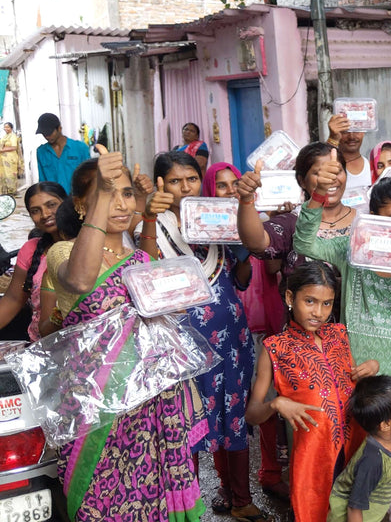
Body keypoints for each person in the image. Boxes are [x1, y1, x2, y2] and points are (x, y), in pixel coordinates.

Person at [43, 147, 206, 521]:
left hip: (149, 404)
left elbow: (162, 302)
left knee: (152, 497)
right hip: (96, 407)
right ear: (81, 205)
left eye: (126, 193)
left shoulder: (139, 259)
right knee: (100, 503)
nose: (119, 203)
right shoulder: (64, 253)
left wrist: (148, 218)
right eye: (105, 193)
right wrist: (103, 193)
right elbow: (81, 280)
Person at [293, 162, 391, 522]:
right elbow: (304, 242)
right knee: (359, 466)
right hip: (356, 375)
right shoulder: (353, 248)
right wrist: (317, 197)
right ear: (373, 217)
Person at [138, 151, 267, 522]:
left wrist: (242, 250)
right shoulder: (152, 224)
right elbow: (143, 267)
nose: (185, 187)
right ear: (161, 184)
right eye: (175, 181)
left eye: (191, 179)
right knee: (185, 421)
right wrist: (148, 216)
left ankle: (240, 499)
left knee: (234, 414)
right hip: (180, 341)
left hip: (229, 337)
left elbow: (240, 278)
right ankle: (188, 508)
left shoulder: (216, 216)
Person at [247, 262, 379, 522]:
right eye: (310, 301)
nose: (319, 312)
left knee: (354, 510)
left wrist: (371, 367)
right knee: (315, 512)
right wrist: (276, 404)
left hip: (355, 447)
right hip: (313, 459)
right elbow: (252, 414)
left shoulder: (339, 335)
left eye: (327, 304)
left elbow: (349, 384)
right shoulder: (275, 348)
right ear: (290, 297)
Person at [203, 162, 290, 502]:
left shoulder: (258, 221)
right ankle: (226, 486)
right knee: (224, 408)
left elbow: (267, 268)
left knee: (263, 401)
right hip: (227, 331)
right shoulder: (201, 231)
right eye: (221, 186)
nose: (229, 191)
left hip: (263, 325)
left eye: (234, 183)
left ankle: (270, 472)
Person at [237, 142, 355, 320]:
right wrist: (246, 200)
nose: (330, 178)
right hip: (302, 335)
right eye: (319, 173)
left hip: (355, 333)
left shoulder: (363, 224)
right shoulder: (292, 223)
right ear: (302, 181)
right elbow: (256, 243)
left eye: (336, 171)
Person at [327, 375, 391, 522]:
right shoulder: (371, 460)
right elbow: (354, 508)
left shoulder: (387, 441)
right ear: (385, 425)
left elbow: (384, 479)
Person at [0, 183, 66, 341]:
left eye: (51, 205)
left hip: (90, 344)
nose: (45, 214)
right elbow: (14, 299)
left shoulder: (87, 246)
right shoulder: (31, 249)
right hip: (41, 344)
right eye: (35, 211)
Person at [35, 113, 91, 194]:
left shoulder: (80, 148)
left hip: (77, 198)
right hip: (55, 199)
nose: (47, 136)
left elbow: (89, 177)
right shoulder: (41, 152)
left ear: (59, 128)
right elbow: (42, 181)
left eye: (50, 133)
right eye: (44, 134)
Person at [328, 114, 372, 190]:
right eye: (345, 131)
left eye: (356, 130)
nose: (351, 137)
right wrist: (332, 138)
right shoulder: (329, 165)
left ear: (363, 132)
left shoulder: (373, 168)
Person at [0, 122, 20, 194]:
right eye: (5, 127)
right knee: (4, 175)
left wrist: (2, 150)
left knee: (10, 175)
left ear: (11, 128)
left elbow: (14, 147)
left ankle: (12, 192)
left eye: (7, 127)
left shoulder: (13, 136)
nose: (6, 128)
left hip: (10, 160)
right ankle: (5, 192)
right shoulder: (5, 136)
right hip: (3, 160)